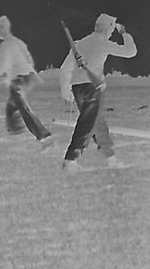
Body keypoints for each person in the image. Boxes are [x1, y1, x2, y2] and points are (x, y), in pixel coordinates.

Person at [59, 13, 138, 170]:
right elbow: (130, 52)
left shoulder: (80, 44)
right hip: (92, 88)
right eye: (111, 30)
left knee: (97, 123)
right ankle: (70, 160)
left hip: (77, 88)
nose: (111, 34)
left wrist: (65, 91)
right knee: (87, 124)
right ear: (107, 29)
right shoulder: (103, 43)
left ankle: (111, 159)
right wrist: (125, 34)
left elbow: (65, 68)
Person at [0, 15, 52, 145]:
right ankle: (14, 130)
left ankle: (42, 134)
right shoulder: (18, 41)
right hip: (29, 77)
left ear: (2, 29)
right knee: (12, 105)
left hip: (19, 78)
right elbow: (29, 59)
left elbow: (1, 66)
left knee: (21, 105)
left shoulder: (5, 45)